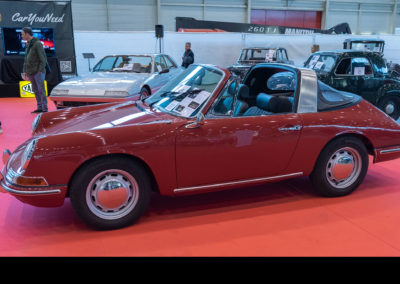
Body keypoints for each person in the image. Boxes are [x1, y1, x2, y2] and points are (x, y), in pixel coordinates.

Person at [21, 27, 48, 113]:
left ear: (27, 34)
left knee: (41, 90)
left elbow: (43, 59)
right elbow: (26, 59)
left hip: (38, 72)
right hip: (31, 71)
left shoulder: (37, 44)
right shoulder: (28, 43)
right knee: (36, 90)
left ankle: (44, 109)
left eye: (22, 34)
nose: (21, 36)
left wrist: (40, 70)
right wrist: (25, 71)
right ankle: (39, 108)